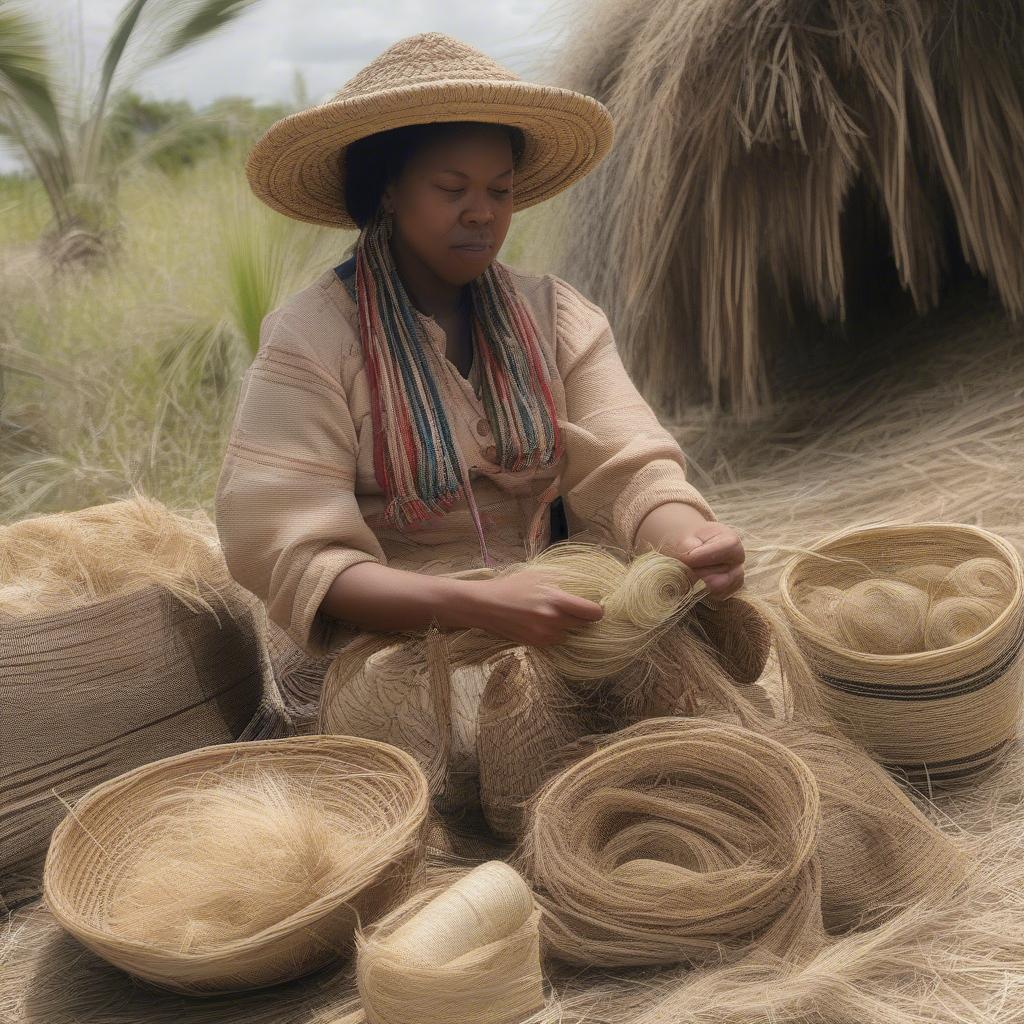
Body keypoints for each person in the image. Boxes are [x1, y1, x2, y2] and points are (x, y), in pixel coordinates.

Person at [217, 31, 745, 661]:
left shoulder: (558, 317)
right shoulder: (311, 340)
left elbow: (627, 465)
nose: (481, 213)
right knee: (483, 719)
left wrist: (687, 541)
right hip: (395, 643)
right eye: (451, 189)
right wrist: (475, 606)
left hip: (558, 614)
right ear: (388, 190)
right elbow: (298, 552)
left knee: (696, 663)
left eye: (500, 191)